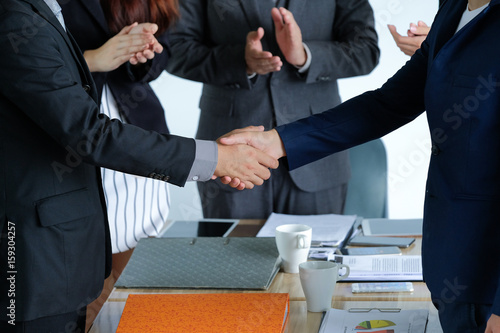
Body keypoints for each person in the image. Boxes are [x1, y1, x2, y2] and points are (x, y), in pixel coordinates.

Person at [220, 0, 500, 331]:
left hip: (489, 274)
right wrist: (278, 141)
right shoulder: (454, 7)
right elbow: (386, 105)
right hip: (454, 264)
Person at [0, 0, 277, 331]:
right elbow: (89, 132)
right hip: (36, 251)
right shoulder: (16, 19)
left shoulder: (38, 13)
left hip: (74, 222)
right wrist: (213, 158)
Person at [166, 0, 380, 219]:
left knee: (315, 253)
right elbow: (175, 49)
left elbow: (366, 49)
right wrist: (241, 61)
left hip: (318, 154)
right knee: (230, 252)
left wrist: (305, 56)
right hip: (231, 154)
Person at [59, 1, 179, 328]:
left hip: (139, 137)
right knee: (90, 285)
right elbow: (31, 62)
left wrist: (143, 55)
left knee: (141, 287)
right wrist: (94, 60)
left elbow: (166, 46)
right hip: (72, 138)